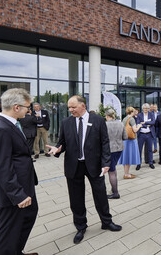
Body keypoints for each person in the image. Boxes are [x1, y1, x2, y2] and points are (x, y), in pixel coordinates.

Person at [47, 95, 122, 244]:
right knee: (76, 198)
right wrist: (57, 150)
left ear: (83, 106)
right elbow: (62, 143)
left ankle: (106, 222)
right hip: (73, 166)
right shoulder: (66, 122)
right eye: (69, 107)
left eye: (73, 107)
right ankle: (80, 226)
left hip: (94, 165)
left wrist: (106, 162)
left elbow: (105, 143)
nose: (70, 110)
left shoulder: (98, 120)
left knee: (100, 195)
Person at [0, 88, 38, 255]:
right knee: (9, 230)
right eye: (28, 106)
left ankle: (16, 250)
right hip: (14, 191)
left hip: (23, 184)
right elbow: (1, 166)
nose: (29, 110)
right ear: (16, 107)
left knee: (28, 215)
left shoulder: (10, 124)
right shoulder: (1, 129)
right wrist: (17, 194)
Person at [105, 108, 128, 199]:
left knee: (111, 171)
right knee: (113, 169)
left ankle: (115, 193)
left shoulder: (105, 125)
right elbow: (125, 137)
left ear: (107, 116)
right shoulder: (120, 123)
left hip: (110, 150)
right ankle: (113, 189)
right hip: (119, 148)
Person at [120, 107, 142, 179]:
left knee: (126, 157)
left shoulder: (124, 118)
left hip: (125, 140)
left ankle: (126, 173)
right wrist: (139, 126)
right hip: (131, 140)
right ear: (131, 111)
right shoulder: (131, 119)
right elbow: (135, 130)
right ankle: (126, 174)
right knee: (128, 157)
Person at [136, 103, 156, 170]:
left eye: (147, 108)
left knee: (150, 149)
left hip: (149, 134)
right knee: (139, 150)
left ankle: (151, 163)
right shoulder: (139, 115)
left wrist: (145, 123)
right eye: (144, 108)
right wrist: (146, 125)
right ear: (142, 109)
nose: (145, 109)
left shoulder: (151, 114)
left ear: (148, 109)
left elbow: (153, 122)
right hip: (141, 134)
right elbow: (138, 123)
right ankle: (138, 164)